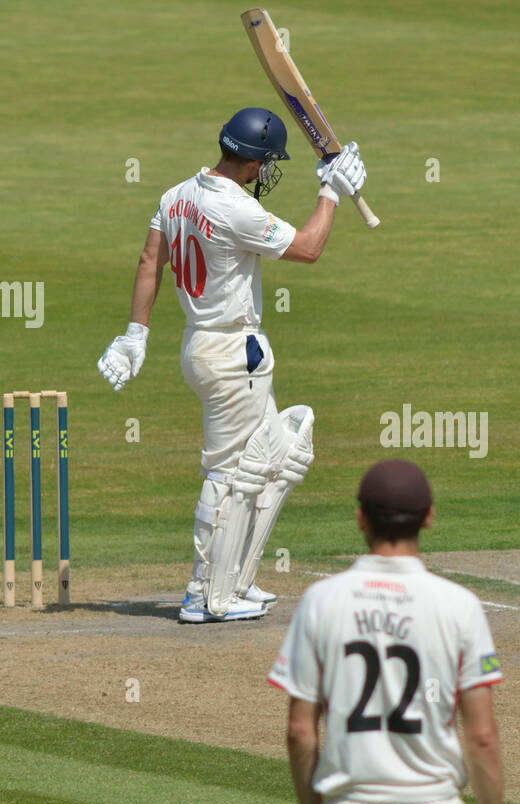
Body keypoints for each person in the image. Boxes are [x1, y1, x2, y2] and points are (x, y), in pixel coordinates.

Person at [96, 107, 366, 622]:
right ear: (258, 163)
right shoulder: (236, 210)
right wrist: (331, 192)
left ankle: (235, 581)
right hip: (232, 356)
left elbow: (150, 261)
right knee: (229, 474)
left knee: (280, 455)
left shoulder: (175, 196)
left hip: (203, 347)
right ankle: (204, 595)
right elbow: (309, 249)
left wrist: (136, 333)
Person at [267, 460, 507, 804]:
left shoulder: (321, 600)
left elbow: (300, 731)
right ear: (429, 517)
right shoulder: (459, 605)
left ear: (361, 519)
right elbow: (481, 736)